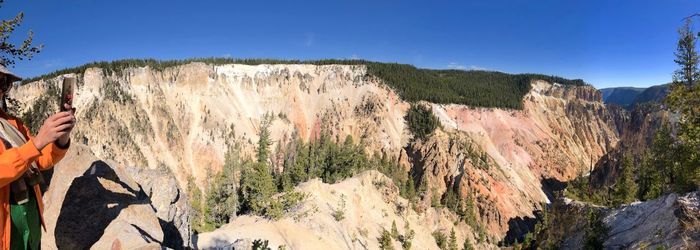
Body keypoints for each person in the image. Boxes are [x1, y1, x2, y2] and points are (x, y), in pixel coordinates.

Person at [0, 65, 75, 250]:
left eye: (3, 83)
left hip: (30, 222)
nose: (0, 90)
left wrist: (61, 137)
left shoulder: (12, 123)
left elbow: (40, 161)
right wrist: (36, 144)